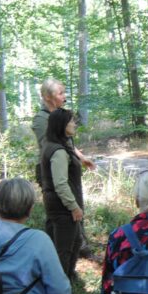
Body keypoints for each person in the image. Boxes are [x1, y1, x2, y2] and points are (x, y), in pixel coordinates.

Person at [32, 79, 96, 257]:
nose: (64, 96)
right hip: (50, 171)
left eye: (64, 92)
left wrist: (81, 158)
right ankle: (56, 253)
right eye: (60, 93)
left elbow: (65, 141)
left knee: (73, 206)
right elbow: (53, 145)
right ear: (47, 97)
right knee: (58, 214)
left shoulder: (61, 115)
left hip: (67, 168)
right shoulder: (41, 119)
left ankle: (77, 244)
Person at [40, 108, 85, 280]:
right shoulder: (58, 151)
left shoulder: (55, 144)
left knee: (74, 240)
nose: (74, 124)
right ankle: (60, 285)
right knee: (65, 247)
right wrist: (73, 207)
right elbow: (60, 184)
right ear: (62, 125)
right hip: (62, 205)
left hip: (56, 203)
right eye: (71, 121)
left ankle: (68, 277)